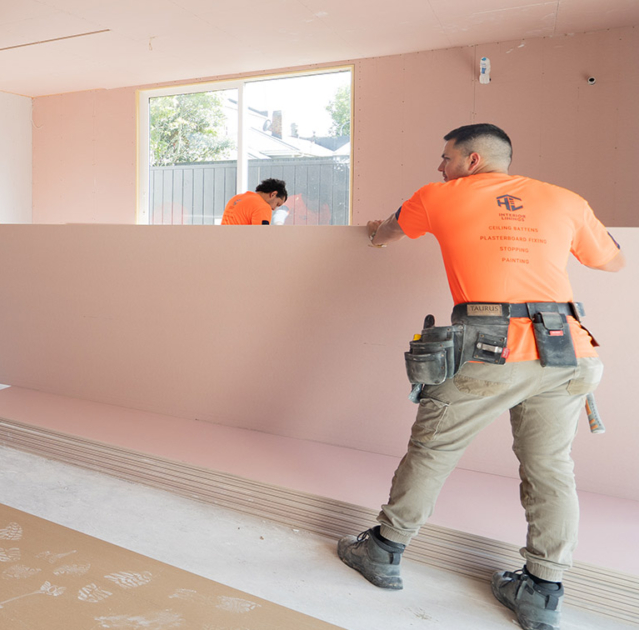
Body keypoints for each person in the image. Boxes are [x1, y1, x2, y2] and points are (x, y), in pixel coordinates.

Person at [339, 123, 626, 630]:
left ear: (471, 161)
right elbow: (611, 260)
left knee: (434, 450)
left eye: (445, 157)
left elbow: (386, 233)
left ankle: (383, 550)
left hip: (489, 349)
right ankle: (541, 591)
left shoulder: (438, 195)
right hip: (568, 350)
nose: (439, 166)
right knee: (552, 469)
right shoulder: (565, 199)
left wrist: (375, 234)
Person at [220, 178, 288, 225]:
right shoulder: (263, 206)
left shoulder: (236, 198)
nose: (273, 209)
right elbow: (260, 236)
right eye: (277, 204)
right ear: (273, 194)